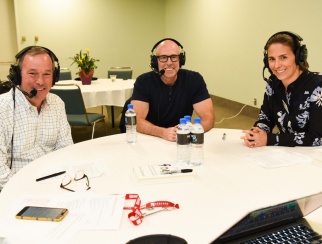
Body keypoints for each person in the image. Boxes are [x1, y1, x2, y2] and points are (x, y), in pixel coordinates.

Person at [0, 46, 73, 190]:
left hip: (55, 184)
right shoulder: (3, 109)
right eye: (32, 73)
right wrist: (30, 191)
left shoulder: (56, 103)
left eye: (47, 74)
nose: (40, 81)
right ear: (18, 76)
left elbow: (66, 150)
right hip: (17, 189)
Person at [242, 31, 322, 147]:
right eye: (272, 59)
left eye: (283, 57)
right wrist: (256, 133)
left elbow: (317, 137)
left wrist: (270, 139)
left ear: (299, 57)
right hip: (286, 153)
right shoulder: (273, 83)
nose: (276, 65)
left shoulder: (317, 85)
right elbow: (265, 118)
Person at [131, 38, 214, 141]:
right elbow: (136, 120)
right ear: (155, 61)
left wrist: (193, 131)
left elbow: (208, 117)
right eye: (163, 58)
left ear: (181, 60)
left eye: (174, 57)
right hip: (151, 138)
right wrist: (162, 132)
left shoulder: (194, 80)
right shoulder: (143, 82)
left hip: (182, 139)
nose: (169, 62)